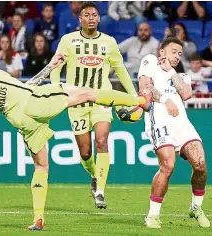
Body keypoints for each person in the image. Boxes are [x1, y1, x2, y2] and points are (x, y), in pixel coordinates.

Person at [0, 43, 147, 231]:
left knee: (41, 167)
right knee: (88, 93)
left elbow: (26, 85)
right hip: (34, 102)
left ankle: (38, 219)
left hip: (21, 120)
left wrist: (51, 66)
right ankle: (137, 100)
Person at [50, 2, 139, 209]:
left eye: (94, 15)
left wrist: (133, 96)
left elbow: (121, 69)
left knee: (102, 141)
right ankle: (93, 174)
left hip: (102, 98)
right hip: (76, 101)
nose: (91, 18)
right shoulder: (68, 41)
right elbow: (56, 66)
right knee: (85, 152)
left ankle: (100, 190)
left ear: (99, 19)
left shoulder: (109, 42)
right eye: (87, 15)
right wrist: (56, 88)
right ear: (79, 19)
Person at [138, 37, 210, 228]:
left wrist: (171, 71)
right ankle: (152, 216)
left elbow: (186, 94)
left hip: (182, 125)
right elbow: (145, 89)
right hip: (159, 122)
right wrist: (164, 100)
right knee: (168, 166)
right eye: (173, 51)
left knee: (200, 164)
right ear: (162, 52)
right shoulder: (149, 63)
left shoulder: (180, 75)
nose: (178, 56)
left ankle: (196, 207)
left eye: (180, 53)